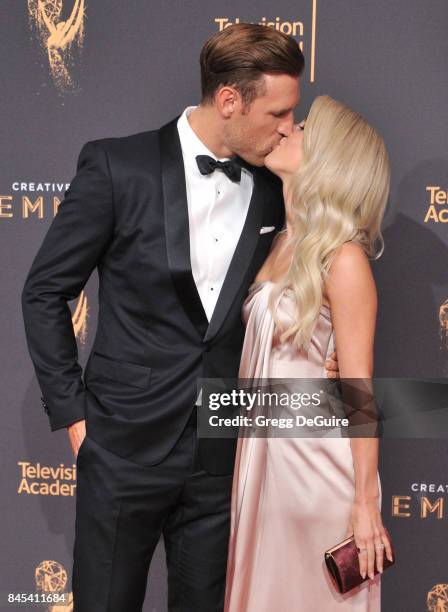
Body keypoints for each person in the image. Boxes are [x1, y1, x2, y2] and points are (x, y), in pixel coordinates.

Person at [21, 24, 338, 612]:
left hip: (222, 456)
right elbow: (44, 291)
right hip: (121, 448)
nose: (289, 127)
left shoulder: (276, 186)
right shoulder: (120, 166)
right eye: (278, 112)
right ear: (228, 100)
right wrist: (74, 419)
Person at [224, 96, 394, 612]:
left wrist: (364, 503)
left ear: (329, 156)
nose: (287, 130)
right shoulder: (277, 242)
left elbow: (359, 390)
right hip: (262, 470)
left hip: (318, 479)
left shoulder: (343, 258)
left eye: (303, 128)